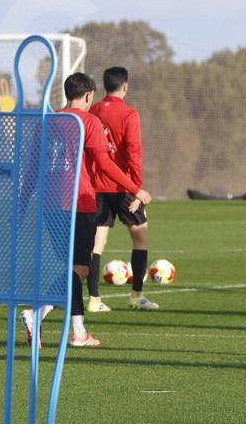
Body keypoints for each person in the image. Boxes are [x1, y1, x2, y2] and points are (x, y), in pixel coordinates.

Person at [19, 73, 153, 348]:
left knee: (73, 269)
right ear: (89, 95)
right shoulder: (89, 121)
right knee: (79, 268)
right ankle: (42, 313)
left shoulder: (48, 121)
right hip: (78, 203)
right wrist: (134, 188)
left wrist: (20, 207)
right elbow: (104, 164)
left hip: (49, 205)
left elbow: (32, 167)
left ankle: (75, 330)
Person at [89, 67, 158, 311]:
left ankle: (95, 300)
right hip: (124, 185)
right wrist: (137, 189)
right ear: (125, 86)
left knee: (96, 244)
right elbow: (133, 152)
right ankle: (136, 296)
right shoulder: (129, 114)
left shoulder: (93, 110)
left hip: (97, 186)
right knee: (140, 239)